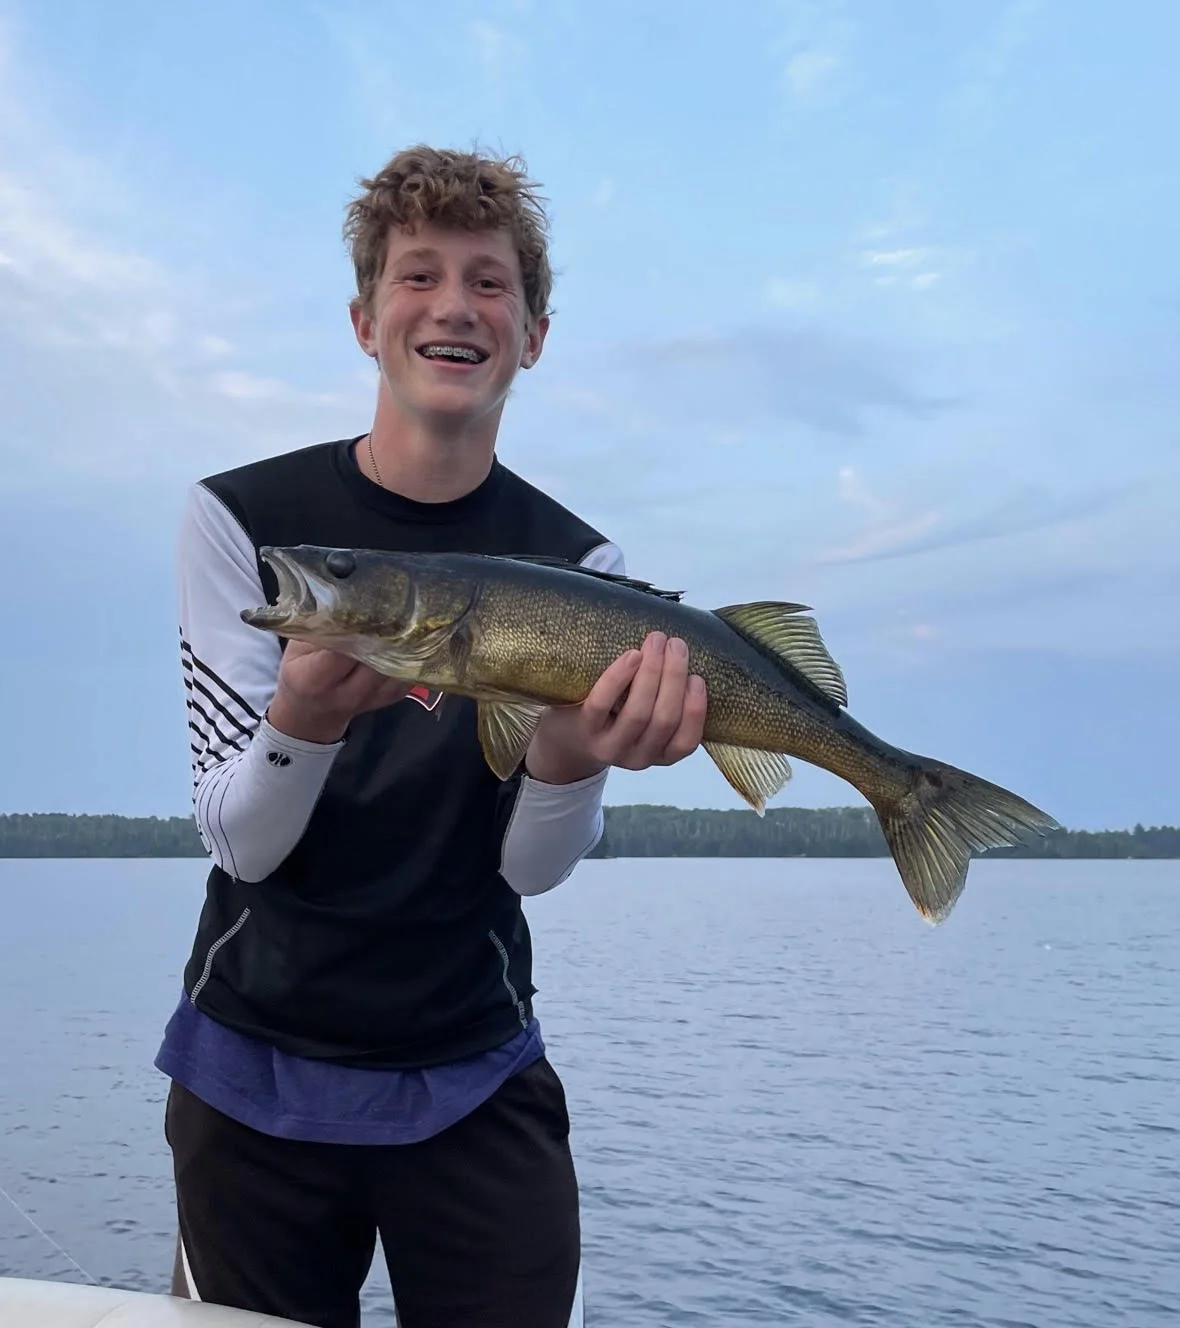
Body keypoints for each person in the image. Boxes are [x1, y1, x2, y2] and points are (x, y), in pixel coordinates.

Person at [155, 144, 708, 1328]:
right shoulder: (246, 524)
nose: (454, 305)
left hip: (474, 1060)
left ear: (534, 332)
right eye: (417, 276)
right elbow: (237, 843)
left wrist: (569, 755)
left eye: (489, 281)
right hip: (253, 1058)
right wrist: (300, 721)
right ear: (364, 320)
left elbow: (530, 870)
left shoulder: (589, 570)